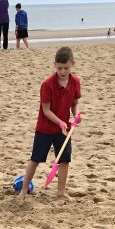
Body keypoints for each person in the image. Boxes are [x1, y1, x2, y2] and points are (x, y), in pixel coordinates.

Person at [15, 46, 80, 203]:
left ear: (73, 64)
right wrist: (60, 122)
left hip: (63, 130)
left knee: (64, 160)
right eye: (59, 68)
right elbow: (46, 110)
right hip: (45, 128)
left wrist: (76, 114)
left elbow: (74, 103)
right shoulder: (47, 84)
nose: (63, 71)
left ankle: (61, 192)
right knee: (35, 159)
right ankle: (23, 191)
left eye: (66, 68)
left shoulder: (75, 82)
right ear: (54, 65)